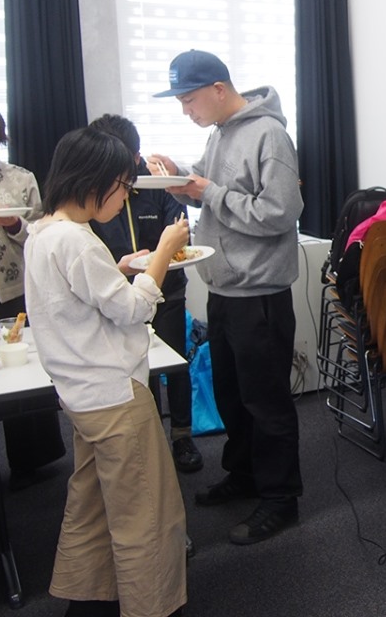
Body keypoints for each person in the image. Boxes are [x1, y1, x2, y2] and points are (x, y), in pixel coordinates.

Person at [24, 127, 189, 617]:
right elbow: (135, 310)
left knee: (92, 508)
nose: (124, 197)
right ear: (93, 181)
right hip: (115, 396)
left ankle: (88, 599)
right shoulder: (78, 242)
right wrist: (163, 253)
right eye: (122, 186)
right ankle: (153, 607)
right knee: (147, 515)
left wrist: (118, 270)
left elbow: (72, 297)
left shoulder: (42, 232)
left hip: (80, 396)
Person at [150, 49, 303, 545]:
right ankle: (244, 475)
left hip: (260, 295)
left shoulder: (269, 134)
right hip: (223, 290)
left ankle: (280, 498)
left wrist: (208, 192)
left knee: (266, 401)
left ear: (219, 89)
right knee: (232, 395)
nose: (186, 111)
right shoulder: (219, 133)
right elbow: (207, 185)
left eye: (189, 100)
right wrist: (177, 177)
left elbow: (280, 213)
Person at [87, 113, 203, 474]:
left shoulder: (158, 184)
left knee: (176, 362)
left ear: (136, 157)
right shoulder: (94, 191)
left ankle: (182, 436)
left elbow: (179, 234)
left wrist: (159, 257)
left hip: (167, 290)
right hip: (117, 294)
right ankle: (146, 436)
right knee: (134, 367)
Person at [0, 100, 65, 488]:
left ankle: (31, 458)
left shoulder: (21, 178)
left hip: (14, 287)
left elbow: (42, 233)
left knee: (22, 365)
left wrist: (13, 224)